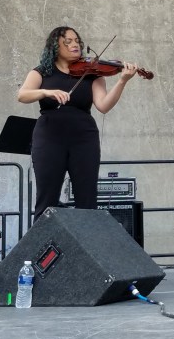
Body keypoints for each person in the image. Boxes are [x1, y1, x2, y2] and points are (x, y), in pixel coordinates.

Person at [18, 27, 139, 219]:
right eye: (68, 41)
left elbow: (103, 105)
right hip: (49, 137)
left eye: (77, 41)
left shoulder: (92, 73)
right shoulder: (42, 72)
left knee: (87, 199)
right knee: (46, 198)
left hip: (84, 138)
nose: (75, 45)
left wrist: (122, 81)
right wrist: (47, 92)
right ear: (55, 46)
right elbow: (23, 95)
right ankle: (43, 239)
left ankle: (87, 237)